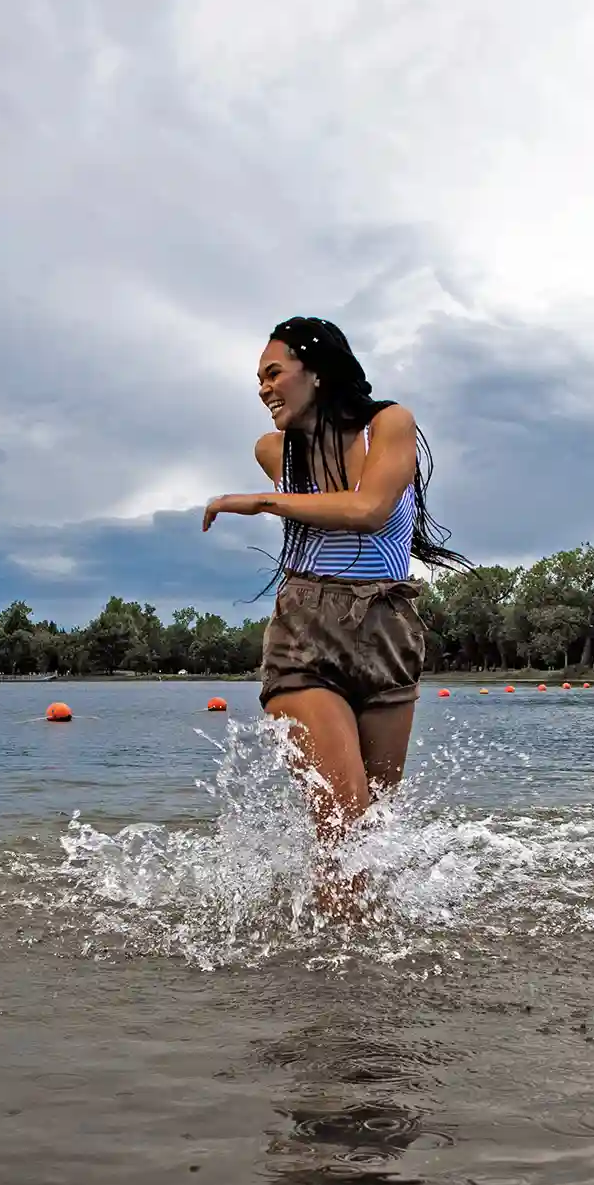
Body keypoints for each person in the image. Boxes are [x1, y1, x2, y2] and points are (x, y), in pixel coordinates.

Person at [202, 317, 466, 910]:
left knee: (372, 838)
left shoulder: (389, 424)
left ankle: (360, 973)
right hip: (307, 632)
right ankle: (335, 984)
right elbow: (324, 505)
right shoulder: (275, 449)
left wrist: (257, 502)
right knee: (344, 829)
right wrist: (272, 492)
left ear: (316, 371)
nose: (264, 389)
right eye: (258, 380)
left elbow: (370, 508)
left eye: (274, 373)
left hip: (389, 630)